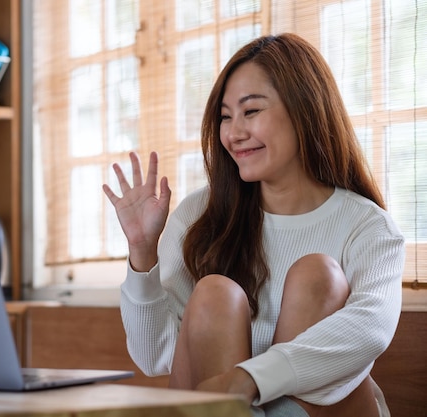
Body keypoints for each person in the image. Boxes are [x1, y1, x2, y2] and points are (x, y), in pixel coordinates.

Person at [102, 33, 405, 417]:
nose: (233, 133)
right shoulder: (201, 214)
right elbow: (151, 358)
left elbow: (369, 329)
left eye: (251, 111)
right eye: (226, 116)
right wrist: (142, 253)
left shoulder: (367, 225)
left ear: (304, 109)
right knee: (216, 293)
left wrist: (249, 380)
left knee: (319, 276)